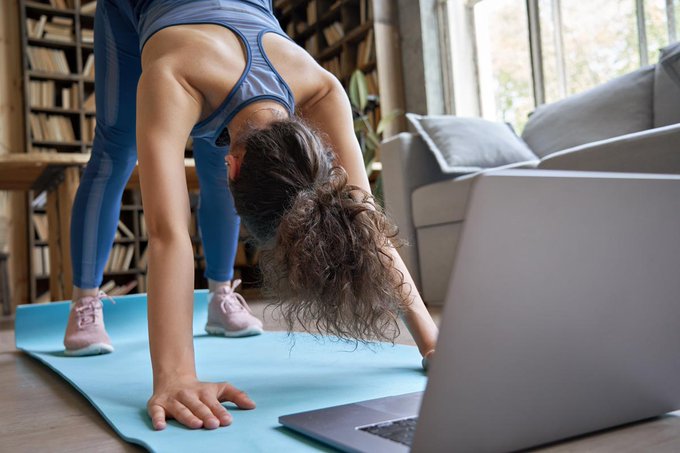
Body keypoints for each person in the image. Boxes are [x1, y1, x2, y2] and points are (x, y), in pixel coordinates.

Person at [64, 0, 439, 431]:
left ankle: (220, 297)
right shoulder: (172, 76)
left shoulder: (322, 88)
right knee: (117, 147)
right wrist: (175, 377)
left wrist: (431, 342)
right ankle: (85, 298)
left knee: (215, 133)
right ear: (235, 168)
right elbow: (168, 235)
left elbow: (364, 219)